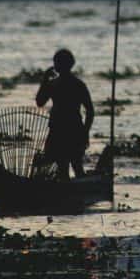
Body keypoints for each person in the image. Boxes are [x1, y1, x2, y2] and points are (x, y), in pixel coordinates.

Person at [35, 48, 94, 181]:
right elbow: (90, 111)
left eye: (56, 62)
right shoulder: (78, 84)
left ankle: (70, 195)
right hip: (72, 127)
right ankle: (77, 194)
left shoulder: (54, 84)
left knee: (65, 167)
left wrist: (45, 80)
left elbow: (40, 102)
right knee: (75, 166)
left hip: (62, 128)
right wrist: (85, 131)